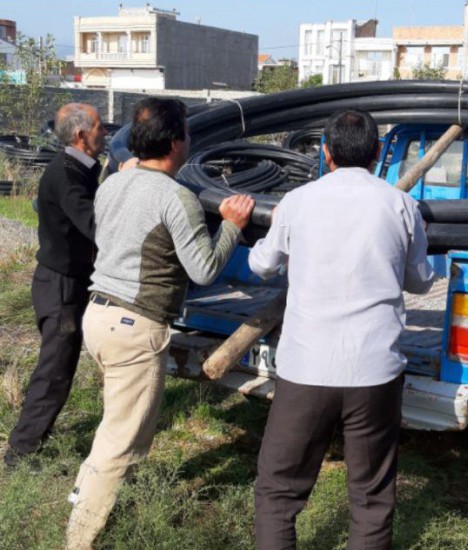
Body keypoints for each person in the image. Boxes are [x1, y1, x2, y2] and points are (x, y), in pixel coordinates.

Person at [65, 97, 254, 549]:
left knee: (114, 426)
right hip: (136, 326)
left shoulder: (112, 184)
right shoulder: (177, 197)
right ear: (174, 143)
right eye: (188, 134)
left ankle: (80, 502)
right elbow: (204, 269)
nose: (191, 141)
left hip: (99, 315)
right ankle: (80, 539)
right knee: (122, 443)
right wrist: (231, 225)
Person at [248, 109, 435, 550]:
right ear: (377, 153)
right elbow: (421, 280)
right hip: (375, 371)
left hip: (307, 368)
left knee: (278, 493)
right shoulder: (401, 205)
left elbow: (261, 265)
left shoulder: (297, 202)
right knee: (371, 497)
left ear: (326, 153)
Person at [4, 103, 107, 469]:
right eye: (99, 127)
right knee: (55, 369)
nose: (105, 133)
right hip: (60, 287)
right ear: (81, 136)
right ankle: (21, 450)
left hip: (61, 280)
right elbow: (96, 226)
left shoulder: (77, 170)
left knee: (59, 366)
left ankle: (31, 437)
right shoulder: (67, 177)